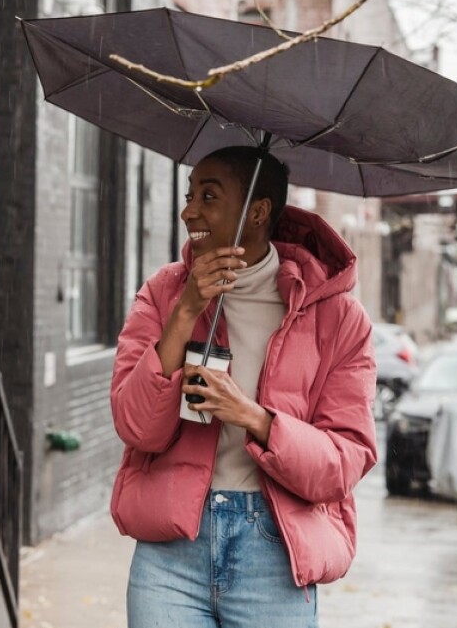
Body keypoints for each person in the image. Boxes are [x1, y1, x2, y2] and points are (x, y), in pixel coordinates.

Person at [110, 146, 377, 628]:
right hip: (172, 552)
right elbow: (135, 427)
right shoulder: (165, 292)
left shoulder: (337, 317)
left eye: (208, 196)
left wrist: (254, 417)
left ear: (257, 211)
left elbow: (343, 463)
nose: (189, 210)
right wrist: (186, 310)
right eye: (190, 195)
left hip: (274, 553)